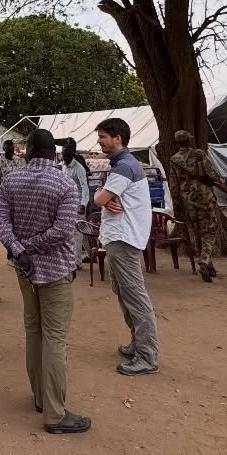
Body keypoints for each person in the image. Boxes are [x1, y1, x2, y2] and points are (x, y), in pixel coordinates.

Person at [0, 128, 91, 434]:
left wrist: (20, 250)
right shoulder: (65, 183)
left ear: (29, 150)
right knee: (55, 339)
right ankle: (55, 414)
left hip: (25, 271)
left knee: (34, 331)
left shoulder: (11, 180)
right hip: (56, 271)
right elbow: (62, 231)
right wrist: (32, 247)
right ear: (54, 153)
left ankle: (40, 397)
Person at [94, 117, 159, 375]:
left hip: (124, 239)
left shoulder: (124, 167)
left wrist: (102, 197)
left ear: (117, 138)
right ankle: (138, 345)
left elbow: (99, 198)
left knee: (134, 297)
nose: (99, 142)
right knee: (124, 294)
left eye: (102, 137)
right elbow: (102, 197)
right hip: (120, 238)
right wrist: (104, 197)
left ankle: (147, 356)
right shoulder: (122, 166)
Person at [168, 130, 227, 284]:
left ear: (177, 143)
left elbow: (174, 186)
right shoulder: (198, 154)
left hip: (188, 199)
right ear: (189, 141)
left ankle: (209, 266)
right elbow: (210, 174)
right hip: (205, 197)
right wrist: (221, 184)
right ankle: (204, 261)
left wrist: (178, 203)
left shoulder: (174, 160)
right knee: (209, 231)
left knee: (196, 231)